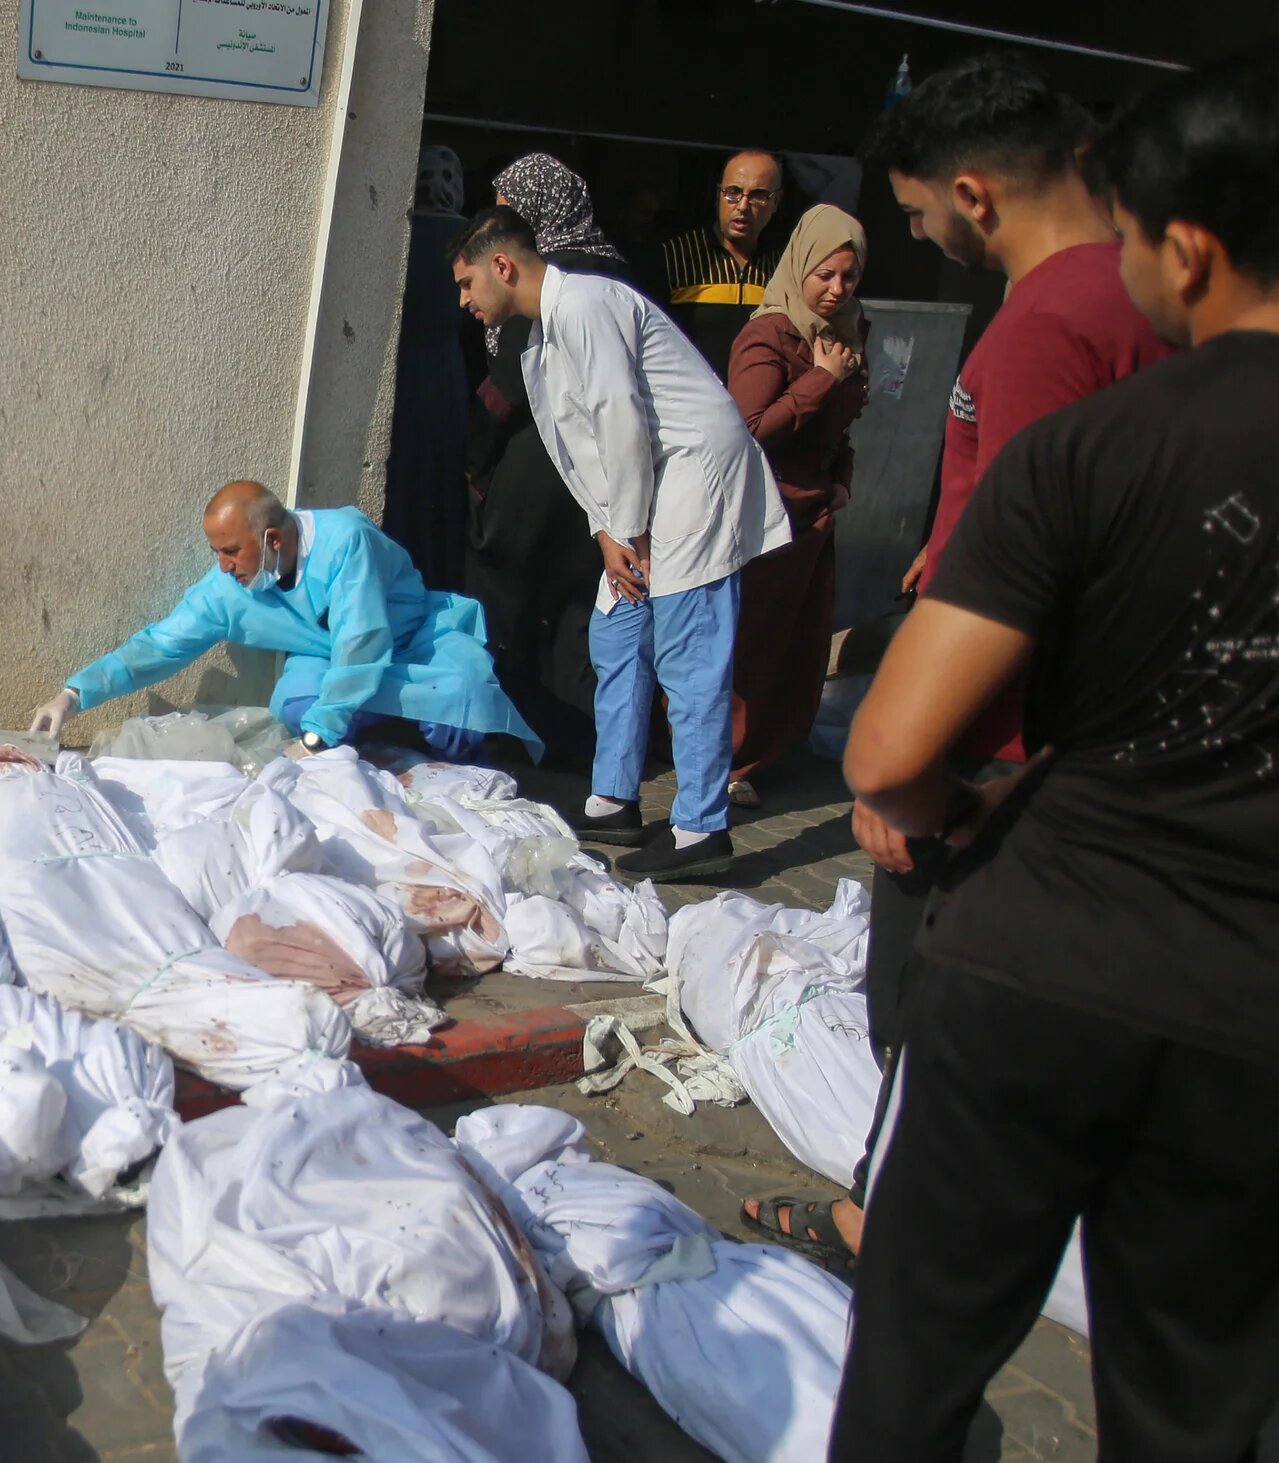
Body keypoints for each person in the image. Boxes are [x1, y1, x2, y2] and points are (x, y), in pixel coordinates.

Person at [830, 48, 1279, 1457]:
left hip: (1045, 954)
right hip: (1267, 1015)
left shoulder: (1091, 442)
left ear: (1194, 248)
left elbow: (890, 750)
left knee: (916, 1361)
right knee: (1191, 1405)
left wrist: (962, 798)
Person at [739, 53, 1181, 1263]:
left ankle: (899, 1232)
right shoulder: (1146, 304)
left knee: (923, 1009)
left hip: (994, 749)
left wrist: (911, 765)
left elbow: (1021, 573)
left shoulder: (1046, 324)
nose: (918, 234)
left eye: (919, 212)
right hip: (1088, 750)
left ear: (973, 193)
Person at [451, 208, 790, 880]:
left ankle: (701, 829)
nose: (466, 302)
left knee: (689, 652)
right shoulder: (542, 335)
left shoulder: (584, 303)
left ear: (502, 266)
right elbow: (581, 446)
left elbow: (620, 416)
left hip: (693, 473)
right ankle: (614, 799)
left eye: (466, 284)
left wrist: (626, 530)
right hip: (640, 498)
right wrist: (608, 528)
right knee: (616, 634)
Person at [27, 481, 541, 762]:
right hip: (327, 664)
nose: (224, 566)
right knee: (295, 705)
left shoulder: (345, 540)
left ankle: (429, 758)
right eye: (217, 553)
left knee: (461, 712)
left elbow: (362, 643)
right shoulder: (228, 589)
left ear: (273, 540)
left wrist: (317, 740)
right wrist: (73, 695)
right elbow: (162, 643)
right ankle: (375, 753)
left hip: (416, 646)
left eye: (232, 551)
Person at [459, 153, 638, 768]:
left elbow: (510, 385)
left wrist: (473, 461)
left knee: (506, 600)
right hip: (594, 483)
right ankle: (580, 743)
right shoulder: (618, 271)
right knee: (576, 612)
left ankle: (508, 733)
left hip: (533, 472)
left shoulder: (547, 284)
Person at [722, 205, 871, 808]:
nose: (836, 290)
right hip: (767, 514)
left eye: (849, 278)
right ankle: (724, 763)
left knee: (799, 644)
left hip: (815, 514)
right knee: (752, 643)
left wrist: (842, 479)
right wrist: (821, 380)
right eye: (824, 275)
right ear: (799, 268)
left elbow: (842, 431)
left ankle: (768, 753)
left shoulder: (849, 332)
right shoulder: (770, 335)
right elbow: (746, 428)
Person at [383, 146, 473, 588]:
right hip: (446, 376)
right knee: (440, 480)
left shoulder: (396, 233)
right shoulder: (469, 239)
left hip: (400, 379)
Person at [655, 149, 789, 375]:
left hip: (758, 405)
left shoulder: (784, 266)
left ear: (776, 201)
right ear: (718, 195)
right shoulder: (672, 256)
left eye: (758, 195)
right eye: (733, 192)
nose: (743, 206)